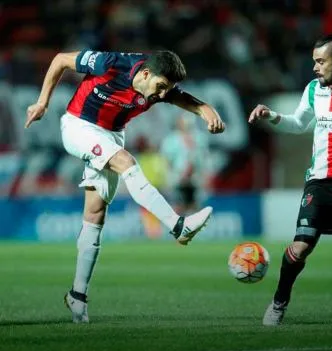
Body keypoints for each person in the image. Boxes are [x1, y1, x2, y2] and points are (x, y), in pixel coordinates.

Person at [25, 49, 225, 323]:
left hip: (112, 135)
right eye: (160, 87)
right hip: (78, 126)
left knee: (95, 214)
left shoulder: (159, 87)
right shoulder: (113, 63)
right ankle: (177, 226)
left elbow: (180, 97)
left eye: (168, 89)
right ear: (144, 74)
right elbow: (60, 59)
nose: (163, 95)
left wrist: (205, 109)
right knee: (126, 162)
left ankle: (77, 296)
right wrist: (42, 103)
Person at [248, 27, 332, 326]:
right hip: (322, 182)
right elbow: (298, 123)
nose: (314, 67)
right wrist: (272, 116)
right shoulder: (314, 89)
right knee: (300, 247)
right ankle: (279, 301)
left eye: (320, 61)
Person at [161, 112, 210, 214]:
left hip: (195, 176)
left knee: (195, 204)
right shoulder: (170, 140)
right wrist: (172, 177)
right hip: (178, 176)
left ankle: (195, 226)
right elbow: (166, 161)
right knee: (178, 204)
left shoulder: (200, 138)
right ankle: (178, 226)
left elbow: (204, 157)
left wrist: (203, 175)